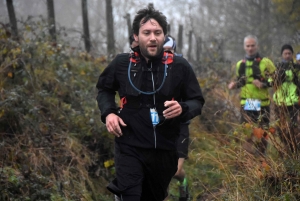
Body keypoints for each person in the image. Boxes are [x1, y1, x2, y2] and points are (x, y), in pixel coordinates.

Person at [96, 5, 205, 201]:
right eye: (146, 32)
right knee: (131, 195)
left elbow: (197, 100)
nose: (153, 37)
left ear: (164, 36)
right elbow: (104, 89)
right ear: (136, 36)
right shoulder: (122, 64)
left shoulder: (179, 66)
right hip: (129, 144)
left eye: (157, 32)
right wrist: (109, 113)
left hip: (164, 149)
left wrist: (183, 108)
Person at [228, 35, 276, 156]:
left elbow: (277, 80)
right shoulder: (240, 64)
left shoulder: (266, 62)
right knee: (247, 132)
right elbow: (240, 81)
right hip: (247, 103)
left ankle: (261, 158)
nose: (250, 48)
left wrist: (263, 84)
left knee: (262, 133)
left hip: (262, 102)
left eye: (252, 45)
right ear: (244, 47)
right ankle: (248, 161)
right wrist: (234, 84)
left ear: (257, 46)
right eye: (248, 46)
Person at [163, 35, 190, 201]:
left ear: (174, 51)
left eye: (169, 51)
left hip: (180, 126)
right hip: (161, 127)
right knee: (160, 173)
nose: (166, 54)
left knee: (176, 171)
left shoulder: (183, 68)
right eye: (163, 51)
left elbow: (193, 97)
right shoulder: (152, 69)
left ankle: (184, 185)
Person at [273, 44, 300, 153]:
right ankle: (287, 148)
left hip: (293, 102)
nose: (287, 55)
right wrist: (278, 76)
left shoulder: (296, 68)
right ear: (282, 55)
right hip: (279, 103)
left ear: (292, 55)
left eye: (289, 53)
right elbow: (271, 83)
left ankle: (294, 150)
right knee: (281, 129)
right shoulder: (277, 67)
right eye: (285, 53)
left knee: (293, 128)